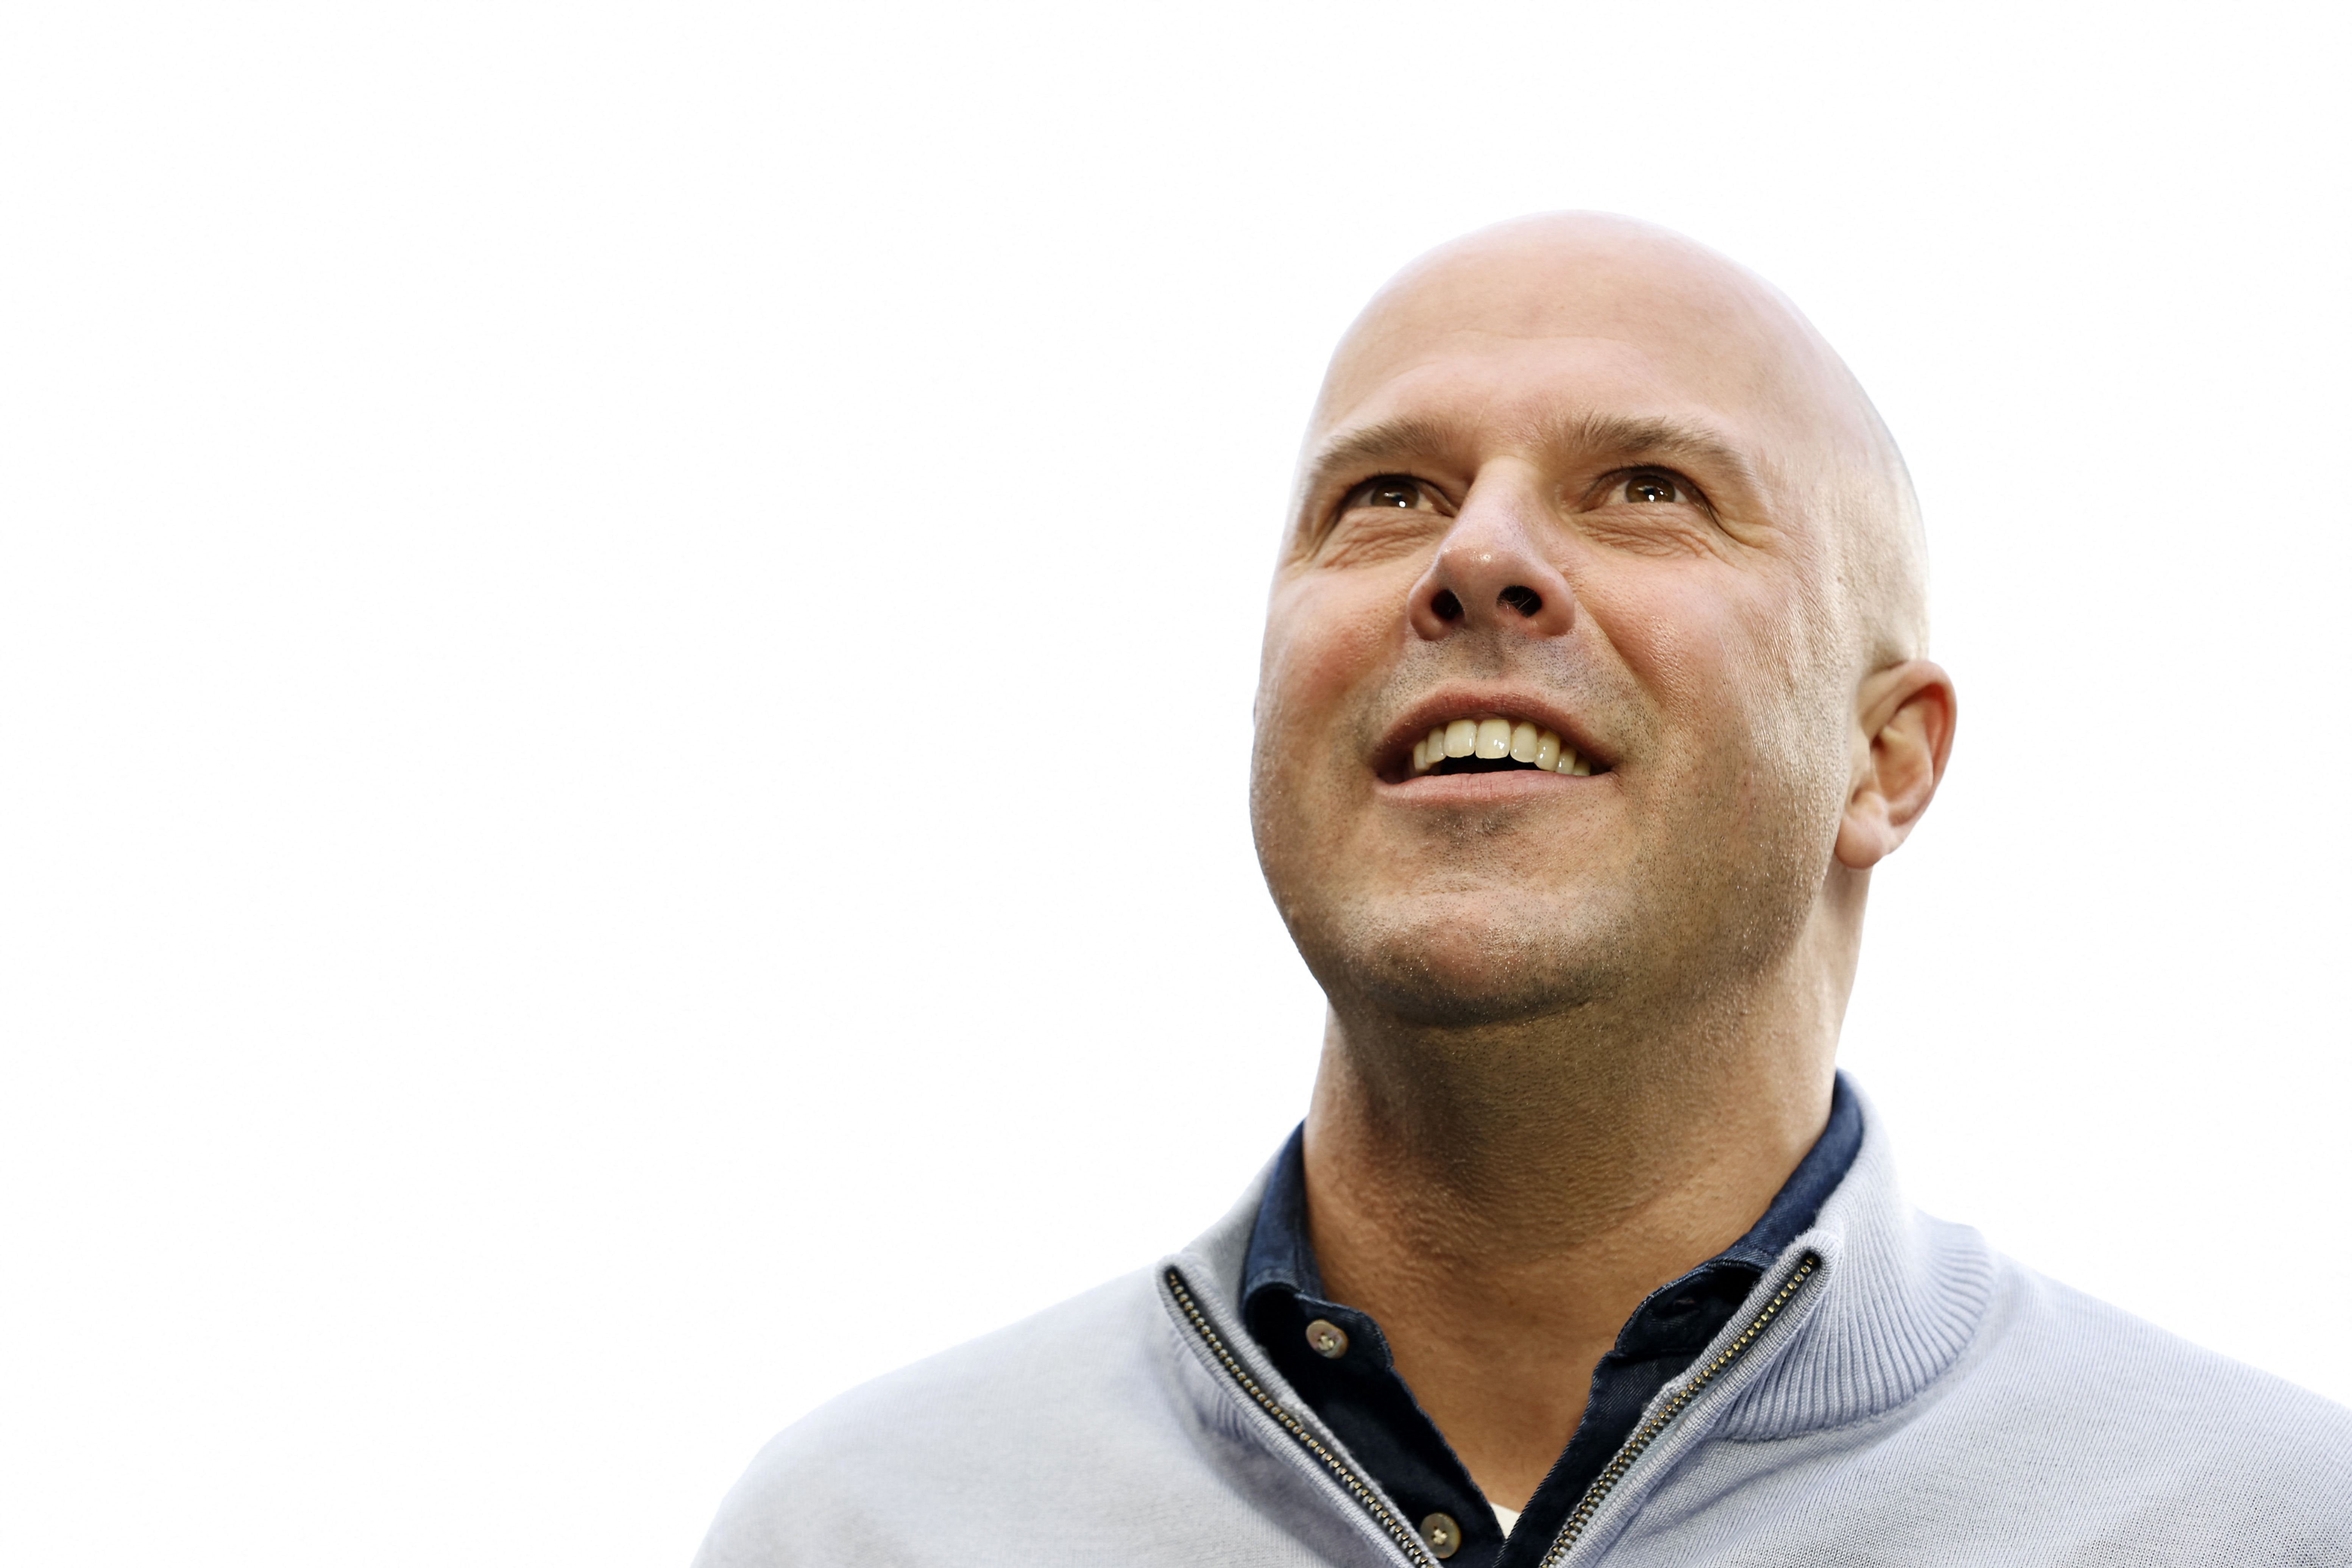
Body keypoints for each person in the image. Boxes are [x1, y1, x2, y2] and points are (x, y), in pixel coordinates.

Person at [693, 214, 2352, 1566]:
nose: (1473, 555)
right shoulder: (854, 1534)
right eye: (1385, 496)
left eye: (1648, 490)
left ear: (1885, 759)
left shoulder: (2262, 1528)